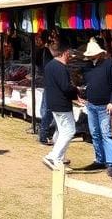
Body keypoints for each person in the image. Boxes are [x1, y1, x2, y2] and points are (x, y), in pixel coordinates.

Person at [82, 38, 112, 177]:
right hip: (91, 104)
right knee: (95, 134)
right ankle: (100, 159)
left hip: (104, 105)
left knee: (106, 134)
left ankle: (111, 163)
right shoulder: (88, 66)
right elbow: (87, 83)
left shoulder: (109, 65)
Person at [42, 42, 78, 172]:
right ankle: (54, 157)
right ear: (65, 53)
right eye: (69, 53)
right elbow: (66, 87)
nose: (70, 56)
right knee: (69, 131)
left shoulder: (49, 65)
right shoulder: (61, 68)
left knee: (62, 131)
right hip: (62, 104)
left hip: (54, 103)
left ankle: (56, 156)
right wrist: (77, 92)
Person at [35, 32, 56, 145]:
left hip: (47, 82)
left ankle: (44, 133)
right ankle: (44, 134)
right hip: (50, 83)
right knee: (48, 110)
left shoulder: (44, 52)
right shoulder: (47, 52)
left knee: (46, 109)